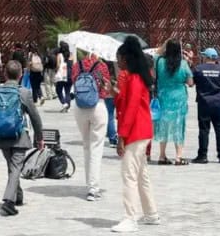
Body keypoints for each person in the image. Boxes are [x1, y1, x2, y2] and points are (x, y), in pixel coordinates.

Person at [113, 36, 159, 233]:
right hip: (142, 130)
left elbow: (130, 110)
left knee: (129, 176)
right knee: (141, 175)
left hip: (135, 132)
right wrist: (115, 92)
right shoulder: (139, 78)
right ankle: (151, 213)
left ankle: (130, 218)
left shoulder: (134, 79)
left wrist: (121, 137)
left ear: (127, 59)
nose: (119, 62)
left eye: (120, 59)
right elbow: (126, 104)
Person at [0, 60, 43, 217]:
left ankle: (17, 196)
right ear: (21, 75)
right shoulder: (24, 93)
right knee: (15, 168)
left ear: (5, 73)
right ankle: (8, 202)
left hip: (1, 136)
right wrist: (39, 138)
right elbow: (35, 117)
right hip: (19, 136)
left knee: (12, 167)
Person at [71, 50, 111, 201]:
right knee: (97, 147)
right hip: (97, 107)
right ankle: (93, 187)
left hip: (80, 107)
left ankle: (89, 183)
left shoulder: (77, 66)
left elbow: (74, 82)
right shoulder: (101, 67)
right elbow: (105, 88)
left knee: (86, 146)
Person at [153, 40, 194, 165]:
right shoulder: (183, 64)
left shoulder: (159, 62)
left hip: (163, 97)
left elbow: (156, 55)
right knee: (179, 125)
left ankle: (161, 155)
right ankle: (178, 156)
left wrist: (165, 44)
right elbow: (190, 83)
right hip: (179, 99)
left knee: (163, 125)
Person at [192, 48, 220, 164]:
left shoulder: (198, 69)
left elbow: (193, 82)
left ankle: (202, 155)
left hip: (204, 102)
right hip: (218, 102)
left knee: (204, 130)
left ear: (206, 57)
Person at [56, 46, 72, 112]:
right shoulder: (71, 55)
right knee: (67, 92)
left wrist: (57, 71)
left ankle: (64, 103)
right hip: (70, 74)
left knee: (58, 90)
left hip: (62, 75)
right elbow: (74, 64)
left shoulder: (59, 55)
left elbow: (57, 66)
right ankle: (67, 107)